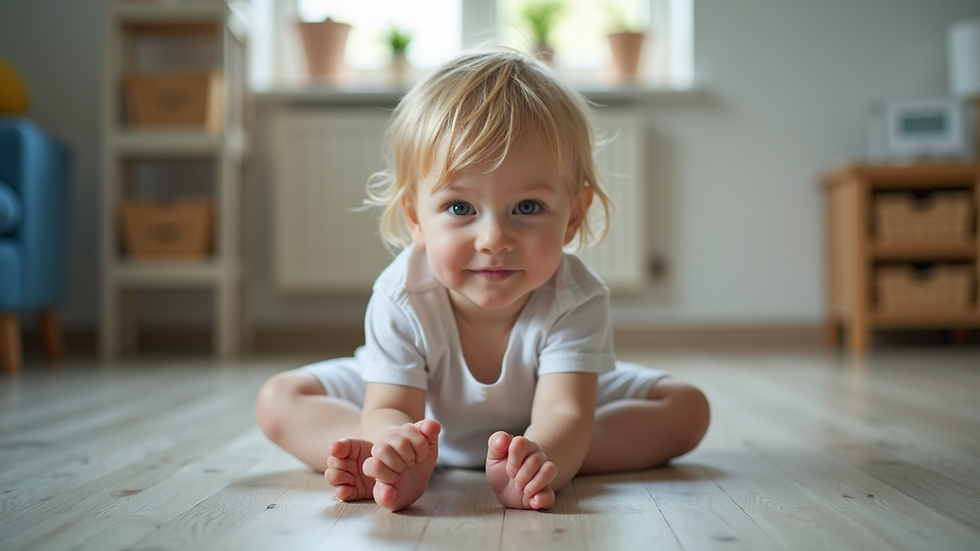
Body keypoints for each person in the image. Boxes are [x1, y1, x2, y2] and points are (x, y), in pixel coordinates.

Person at [255, 49, 710, 512]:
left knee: (687, 408)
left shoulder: (575, 297)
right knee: (279, 399)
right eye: (460, 208)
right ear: (416, 218)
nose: (494, 239)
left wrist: (545, 455)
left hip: (547, 409)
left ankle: (529, 461)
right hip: (423, 412)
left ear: (573, 216)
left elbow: (564, 412)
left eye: (527, 208)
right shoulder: (403, 294)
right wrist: (392, 443)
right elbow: (390, 405)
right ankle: (387, 463)